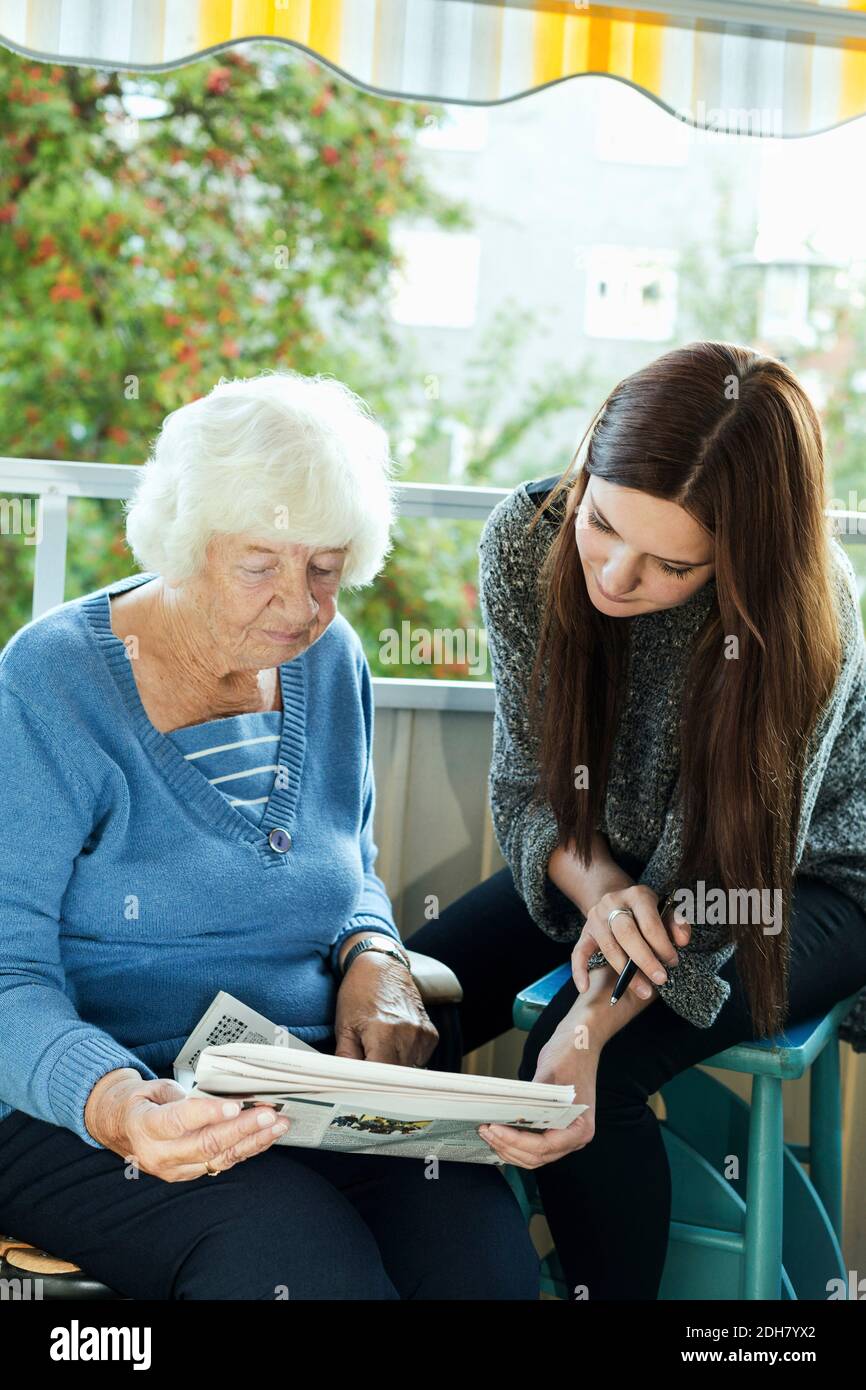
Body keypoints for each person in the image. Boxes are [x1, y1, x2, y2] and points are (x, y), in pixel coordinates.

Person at [0, 370, 539, 1301]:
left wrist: (374, 950)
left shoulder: (329, 661)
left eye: (325, 568)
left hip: (305, 1096)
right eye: (261, 566)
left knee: (477, 1252)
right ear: (183, 540)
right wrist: (122, 1105)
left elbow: (350, 869)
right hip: (85, 1108)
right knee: (299, 1262)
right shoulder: (51, 684)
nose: (299, 605)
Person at [406, 340, 866, 1300]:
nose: (614, 575)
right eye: (603, 521)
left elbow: (740, 876)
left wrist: (585, 1031)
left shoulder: (808, 612)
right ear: (586, 468)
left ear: (741, 560)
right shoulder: (527, 538)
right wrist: (607, 894)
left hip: (800, 885)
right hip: (615, 857)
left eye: (670, 565)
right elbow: (532, 786)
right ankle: (443, 1267)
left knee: (579, 1074)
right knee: (417, 1002)